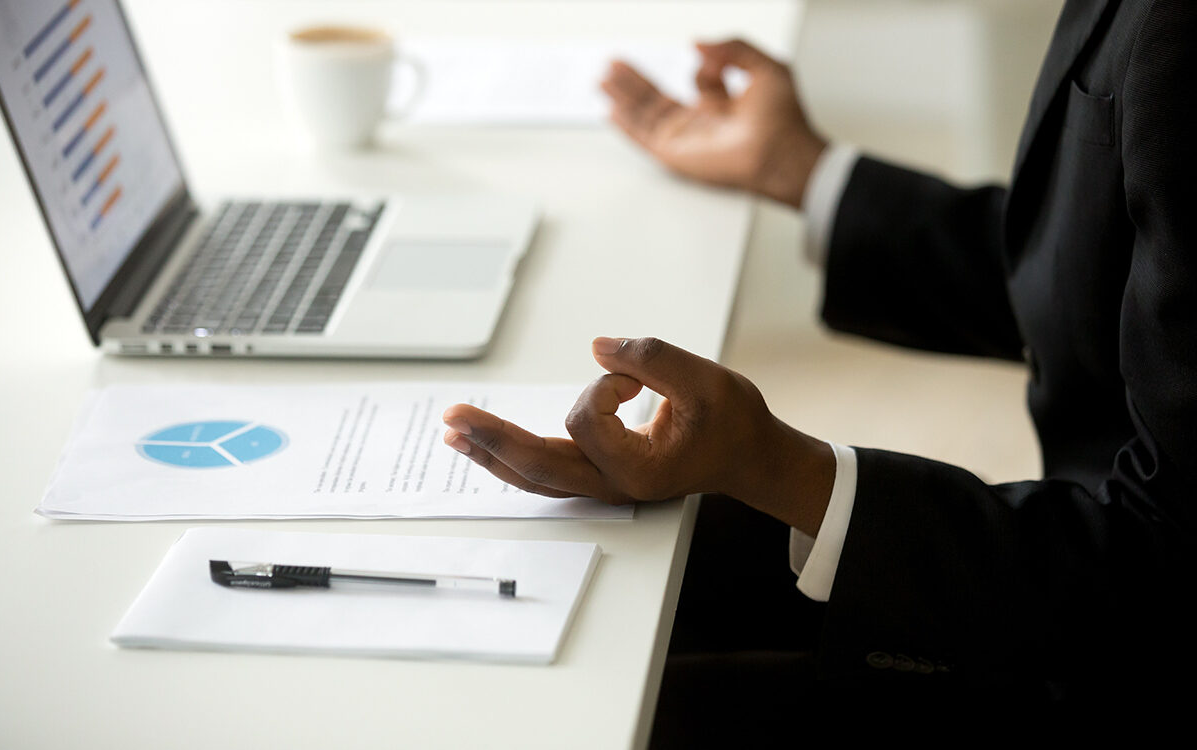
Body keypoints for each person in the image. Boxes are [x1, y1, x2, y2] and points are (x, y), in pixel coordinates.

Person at [442, 0, 1195, 736]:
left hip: (1123, 634)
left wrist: (776, 465)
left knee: (592, 706)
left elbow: (1170, 567)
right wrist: (804, 172)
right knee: (611, 581)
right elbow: (1105, 270)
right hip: (1087, 559)